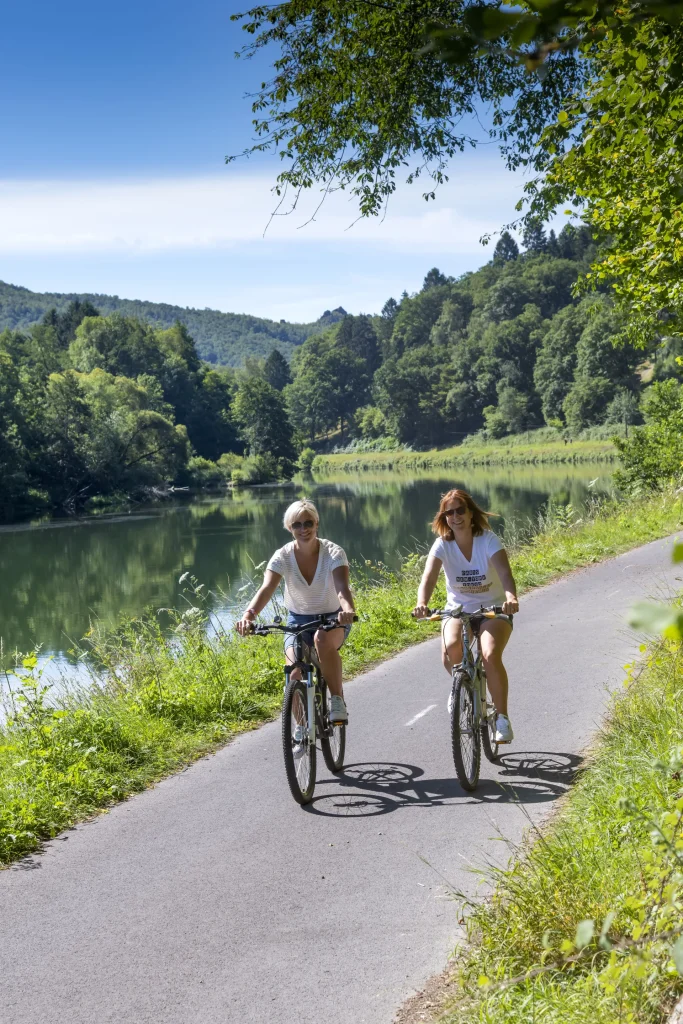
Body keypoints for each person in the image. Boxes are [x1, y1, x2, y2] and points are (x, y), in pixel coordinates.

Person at [413, 489, 519, 743]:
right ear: (444, 517)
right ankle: (463, 688)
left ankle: (501, 718)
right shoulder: (442, 544)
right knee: (451, 649)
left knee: (490, 654)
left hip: (492, 610)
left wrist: (510, 598)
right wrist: (421, 603)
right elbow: (428, 577)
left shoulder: (488, 540)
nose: (455, 516)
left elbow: (505, 573)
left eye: (460, 510)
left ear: (471, 513)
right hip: (458, 610)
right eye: (449, 512)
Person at [236, 499, 355, 723]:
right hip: (297, 620)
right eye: (297, 525)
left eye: (308, 522)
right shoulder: (282, 556)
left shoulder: (333, 552)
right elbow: (266, 589)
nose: (303, 529)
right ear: (289, 528)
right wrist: (248, 616)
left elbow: (342, 588)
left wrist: (347, 610)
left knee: (321, 638)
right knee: (293, 672)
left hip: (332, 617)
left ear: (317, 523)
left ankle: (337, 700)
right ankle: (300, 728)